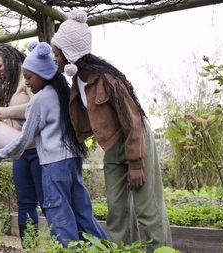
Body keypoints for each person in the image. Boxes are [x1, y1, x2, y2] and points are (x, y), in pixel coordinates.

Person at [50, 9, 172, 252]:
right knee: (117, 212)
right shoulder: (77, 82)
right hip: (113, 149)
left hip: (136, 142)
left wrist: (136, 163)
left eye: (56, 52)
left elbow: (133, 121)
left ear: (70, 52)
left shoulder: (107, 79)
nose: (54, 57)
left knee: (148, 211)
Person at [0, 42, 107, 246]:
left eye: (29, 77)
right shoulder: (63, 93)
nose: (27, 82)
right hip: (72, 161)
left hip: (54, 165)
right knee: (82, 213)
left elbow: (23, 140)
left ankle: (70, 250)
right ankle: (105, 249)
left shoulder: (39, 101)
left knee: (59, 216)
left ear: (42, 75)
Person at [0, 44, 43, 245]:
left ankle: (59, 247)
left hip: (39, 150)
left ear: (11, 60)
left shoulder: (28, 78)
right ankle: (30, 247)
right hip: (20, 153)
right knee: (24, 203)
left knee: (47, 203)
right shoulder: (7, 84)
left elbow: (38, 106)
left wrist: (6, 112)